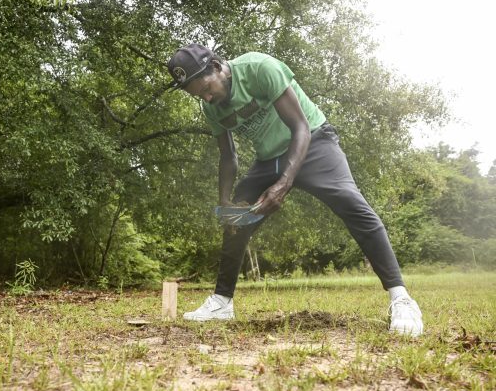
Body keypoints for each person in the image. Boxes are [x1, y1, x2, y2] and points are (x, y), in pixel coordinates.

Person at [167, 43, 423, 336]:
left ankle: (401, 298)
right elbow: (228, 156)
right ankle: (222, 302)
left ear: (215, 67)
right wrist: (226, 202)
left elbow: (300, 126)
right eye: (198, 95)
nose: (206, 97)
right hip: (268, 159)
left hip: (313, 142)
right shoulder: (210, 107)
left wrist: (283, 185)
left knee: (351, 203)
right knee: (236, 221)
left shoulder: (260, 69)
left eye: (206, 88)